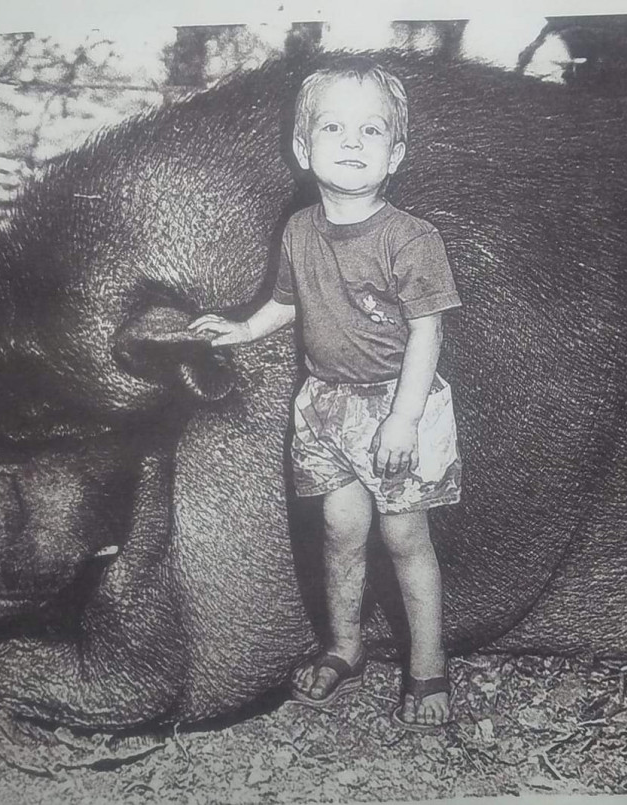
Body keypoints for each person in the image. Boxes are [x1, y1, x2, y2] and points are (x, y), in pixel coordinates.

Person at [188, 56, 462, 732]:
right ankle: (345, 645)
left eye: (371, 132)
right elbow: (287, 301)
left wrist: (402, 419)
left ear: (395, 154)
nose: (350, 142)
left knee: (405, 538)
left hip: (399, 406)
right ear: (303, 148)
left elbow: (428, 332)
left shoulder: (412, 239)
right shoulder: (300, 230)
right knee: (341, 530)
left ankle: (428, 664)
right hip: (326, 406)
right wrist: (242, 327)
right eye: (333, 128)